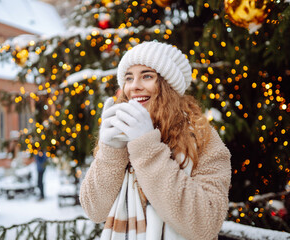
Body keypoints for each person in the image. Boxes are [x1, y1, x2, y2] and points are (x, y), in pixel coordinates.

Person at [79, 41, 231, 240]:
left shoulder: (202, 138)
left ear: (169, 85)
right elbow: (94, 210)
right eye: (129, 78)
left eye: (147, 76)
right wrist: (110, 151)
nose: (134, 86)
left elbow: (205, 224)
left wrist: (146, 147)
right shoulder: (120, 136)